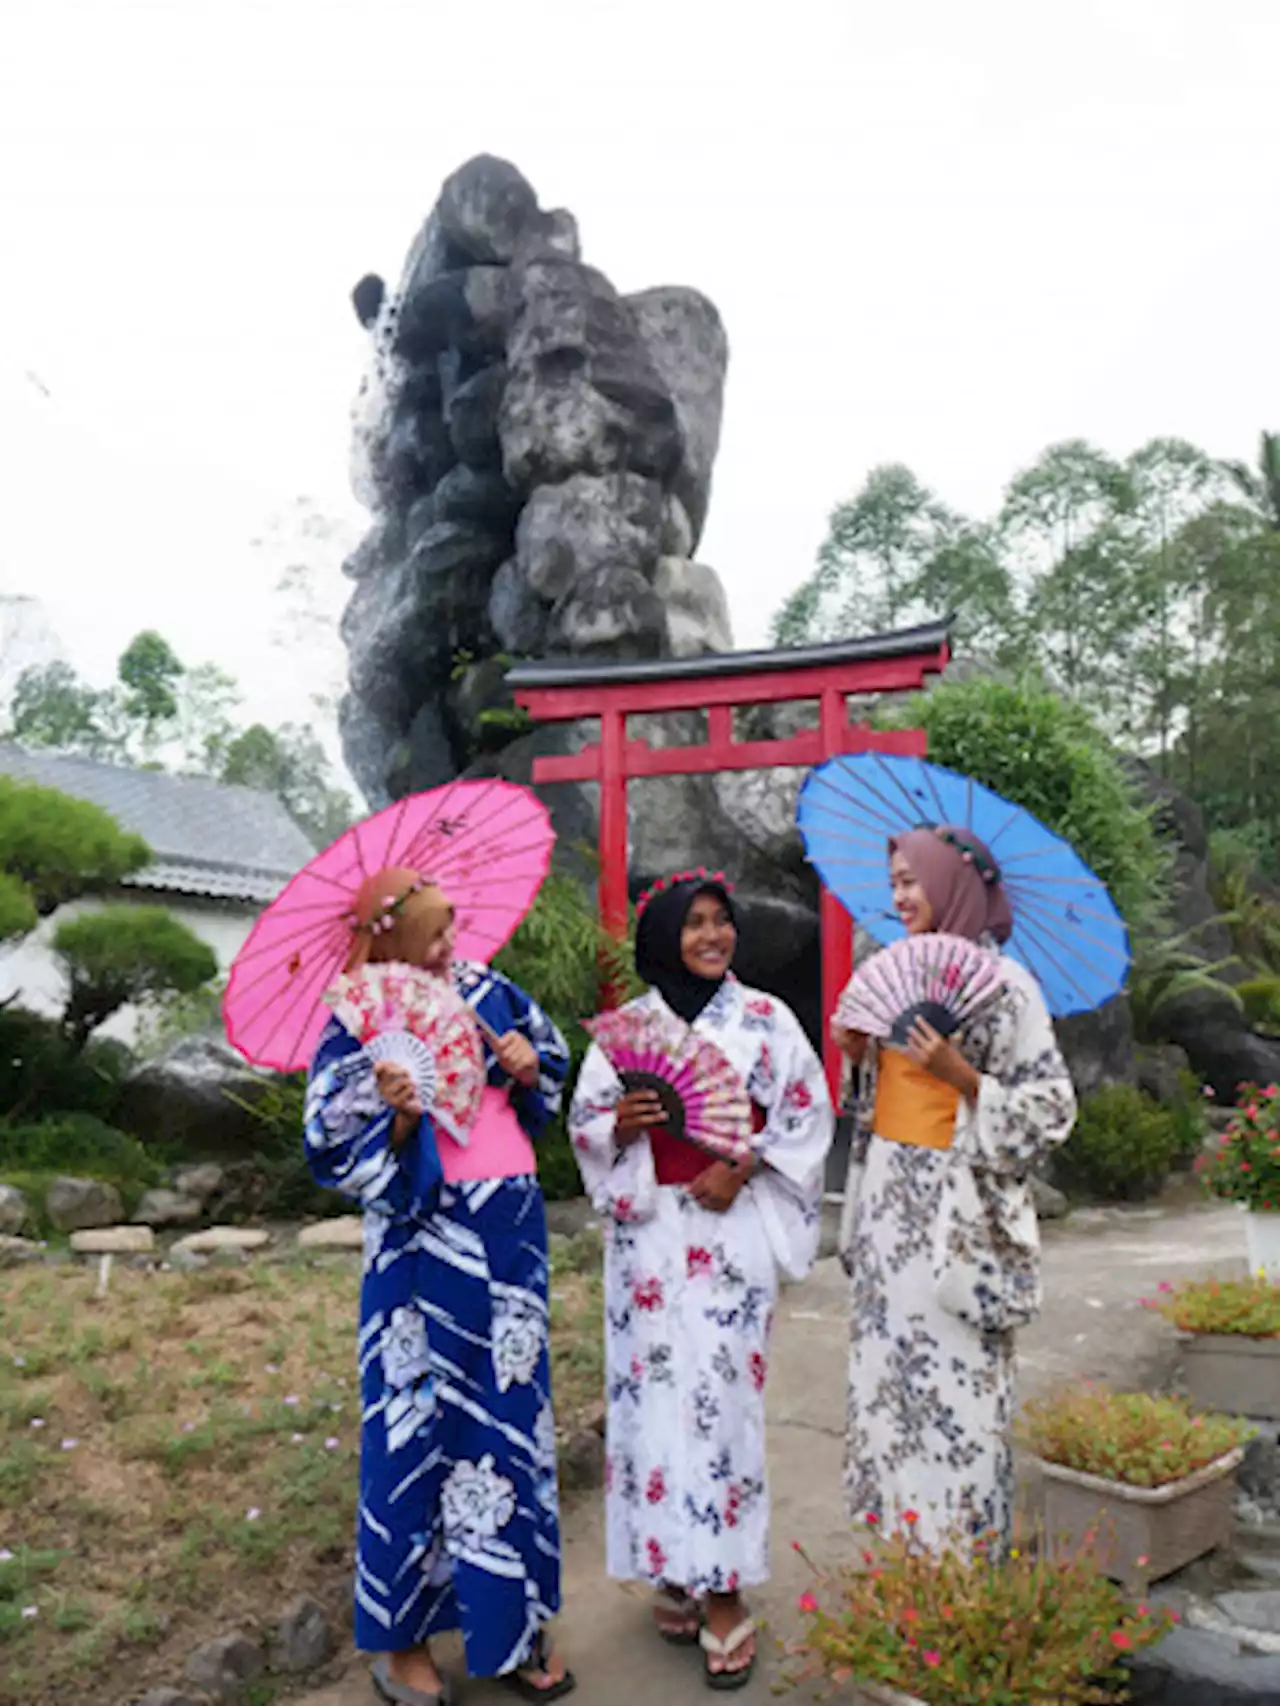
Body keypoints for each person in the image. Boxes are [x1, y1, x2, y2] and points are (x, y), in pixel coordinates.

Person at [303, 866, 576, 1706]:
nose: (450, 947)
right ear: (389, 943)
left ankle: (514, 1620)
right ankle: (401, 1638)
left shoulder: (494, 992)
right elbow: (328, 1142)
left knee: (510, 1419)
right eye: (431, 935)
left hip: (508, 1235)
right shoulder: (360, 1017)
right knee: (412, 1429)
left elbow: (554, 1069)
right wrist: (402, 1114)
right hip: (422, 1243)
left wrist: (530, 1069)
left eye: (451, 927)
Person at [569, 872, 834, 1692]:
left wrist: (743, 1162)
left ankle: (722, 1589)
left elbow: (807, 1115)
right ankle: (671, 1569)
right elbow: (585, 1127)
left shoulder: (765, 1020)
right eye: (695, 924)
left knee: (719, 1415)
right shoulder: (628, 1032)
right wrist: (618, 1125)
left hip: (728, 1233)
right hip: (649, 1239)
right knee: (651, 1412)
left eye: (723, 922)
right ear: (663, 937)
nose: (712, 936)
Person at [834, 826, 1077, 1555]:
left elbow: (1052, 1110)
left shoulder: (1007, 989)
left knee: (959, 1391)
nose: (901, 896)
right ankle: (901, 1567)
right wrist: (857, 1058)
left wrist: (964, 1079)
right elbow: (868, 1109)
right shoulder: (887, 967)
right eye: (896, 883)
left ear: (952, 883)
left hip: (958, 1214)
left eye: (913, 880)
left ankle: (962, 1575)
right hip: (887, 1206)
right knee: (887, 1386)